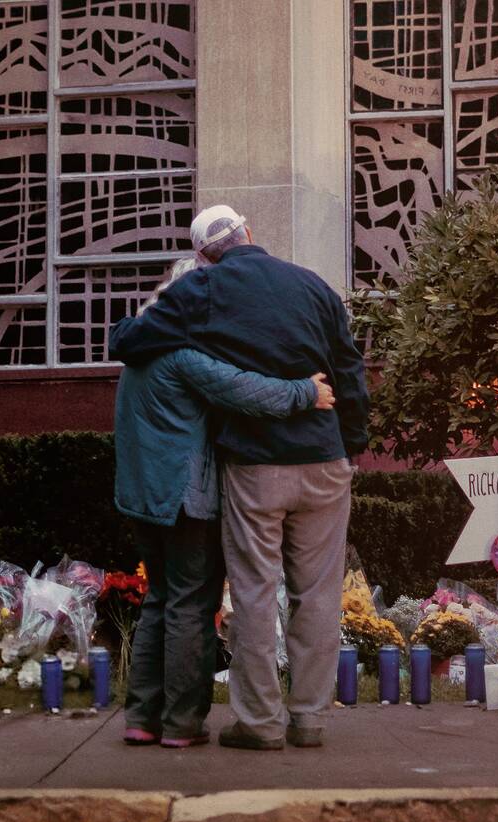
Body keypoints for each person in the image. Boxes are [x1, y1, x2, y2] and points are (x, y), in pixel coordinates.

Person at [108, 206, 370, 751]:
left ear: (202, 255)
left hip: (256, 466)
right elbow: (350, 369)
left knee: (253, 594)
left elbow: (129, 343)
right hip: (324, 460)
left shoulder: (202, 289)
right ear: (251, 233)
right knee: (318, 596)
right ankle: (311, 721)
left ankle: (258, 723)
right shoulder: (314, 286)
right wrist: (351, 447)